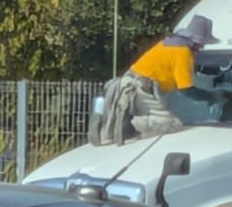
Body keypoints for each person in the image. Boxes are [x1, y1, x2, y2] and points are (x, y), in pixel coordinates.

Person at [93, 14, 221, 143]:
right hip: (141, 88)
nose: (201, 48)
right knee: (172, 123)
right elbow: (186, 89)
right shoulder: (183, 52)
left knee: (158, 120)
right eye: (201, 44)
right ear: (195, 41)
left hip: (131, 83)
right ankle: (130, 125)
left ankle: (115, 126)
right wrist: (210, 96)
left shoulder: (168, 44)